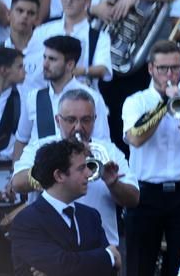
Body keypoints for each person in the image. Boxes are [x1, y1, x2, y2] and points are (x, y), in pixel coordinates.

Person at [11, 87, 139, 248]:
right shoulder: (41, 146)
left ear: (95, 119)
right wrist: (60, 162)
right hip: (53, 250)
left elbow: (134, 199)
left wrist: (113, 183)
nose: (78, 127)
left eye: (86, 120)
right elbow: (17, 183)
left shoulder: (109, 151)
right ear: (58, 120)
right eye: (71, 120)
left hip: (101, 251)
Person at [122, 39, 180, 276]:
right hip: (146, 194)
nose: (169, 74)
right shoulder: (136, 102)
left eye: (175, 68)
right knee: (139, 265)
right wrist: (164, 104)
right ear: (151, 69)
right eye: (163, 68)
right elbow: (136, 138)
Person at [8, 137, 120, 276]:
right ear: (59, 175)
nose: (89, 173)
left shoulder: (91, 216)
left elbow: (110, 271)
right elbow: (62, 264)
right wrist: (108, 256)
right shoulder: (26, 222)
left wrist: (63, 269)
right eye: (81, 169)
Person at [13, 35, 111, 154]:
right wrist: (16, 171)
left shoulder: (93, 98)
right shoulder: (33, 98)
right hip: (39, 169)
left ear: (70, 65)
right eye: (45, 57)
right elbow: (21, 140)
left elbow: (102, 144)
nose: (45, 64)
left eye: (52, 59)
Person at [33, 0, 112, 88]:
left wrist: (81, 71)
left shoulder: (100, 37)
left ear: (87, 1)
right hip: (44, 95)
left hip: (81, 98)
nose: (68, 1)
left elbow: (104, 69)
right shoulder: (43, 30)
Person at [0, 0, 39, 91]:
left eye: (31, 13)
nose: (25, 16)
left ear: (36, 19)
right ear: (8, 14)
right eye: (20, 11)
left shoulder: (47, 53)